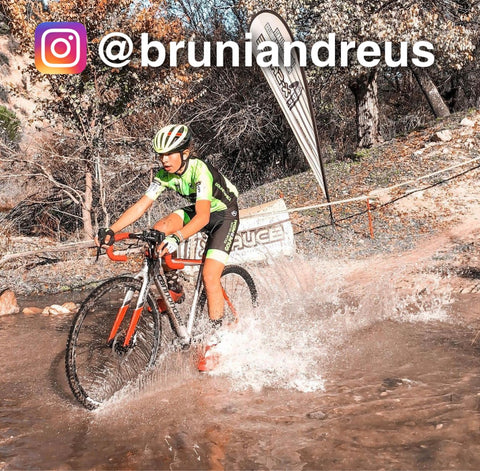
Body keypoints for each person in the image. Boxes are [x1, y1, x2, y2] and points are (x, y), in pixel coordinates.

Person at [95, 124, 239, 370]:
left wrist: (178, 238)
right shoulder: (163, 176)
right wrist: (113, 230)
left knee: (209, 276)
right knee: (158, 230)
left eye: (169, 154)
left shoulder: (199, 170)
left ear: (185, 153)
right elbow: (142, 206)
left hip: (223, 215)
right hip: (199, 209)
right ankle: (173, 288)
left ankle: (216, 342)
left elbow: (203, 218)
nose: (164, 160)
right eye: (160, 155)